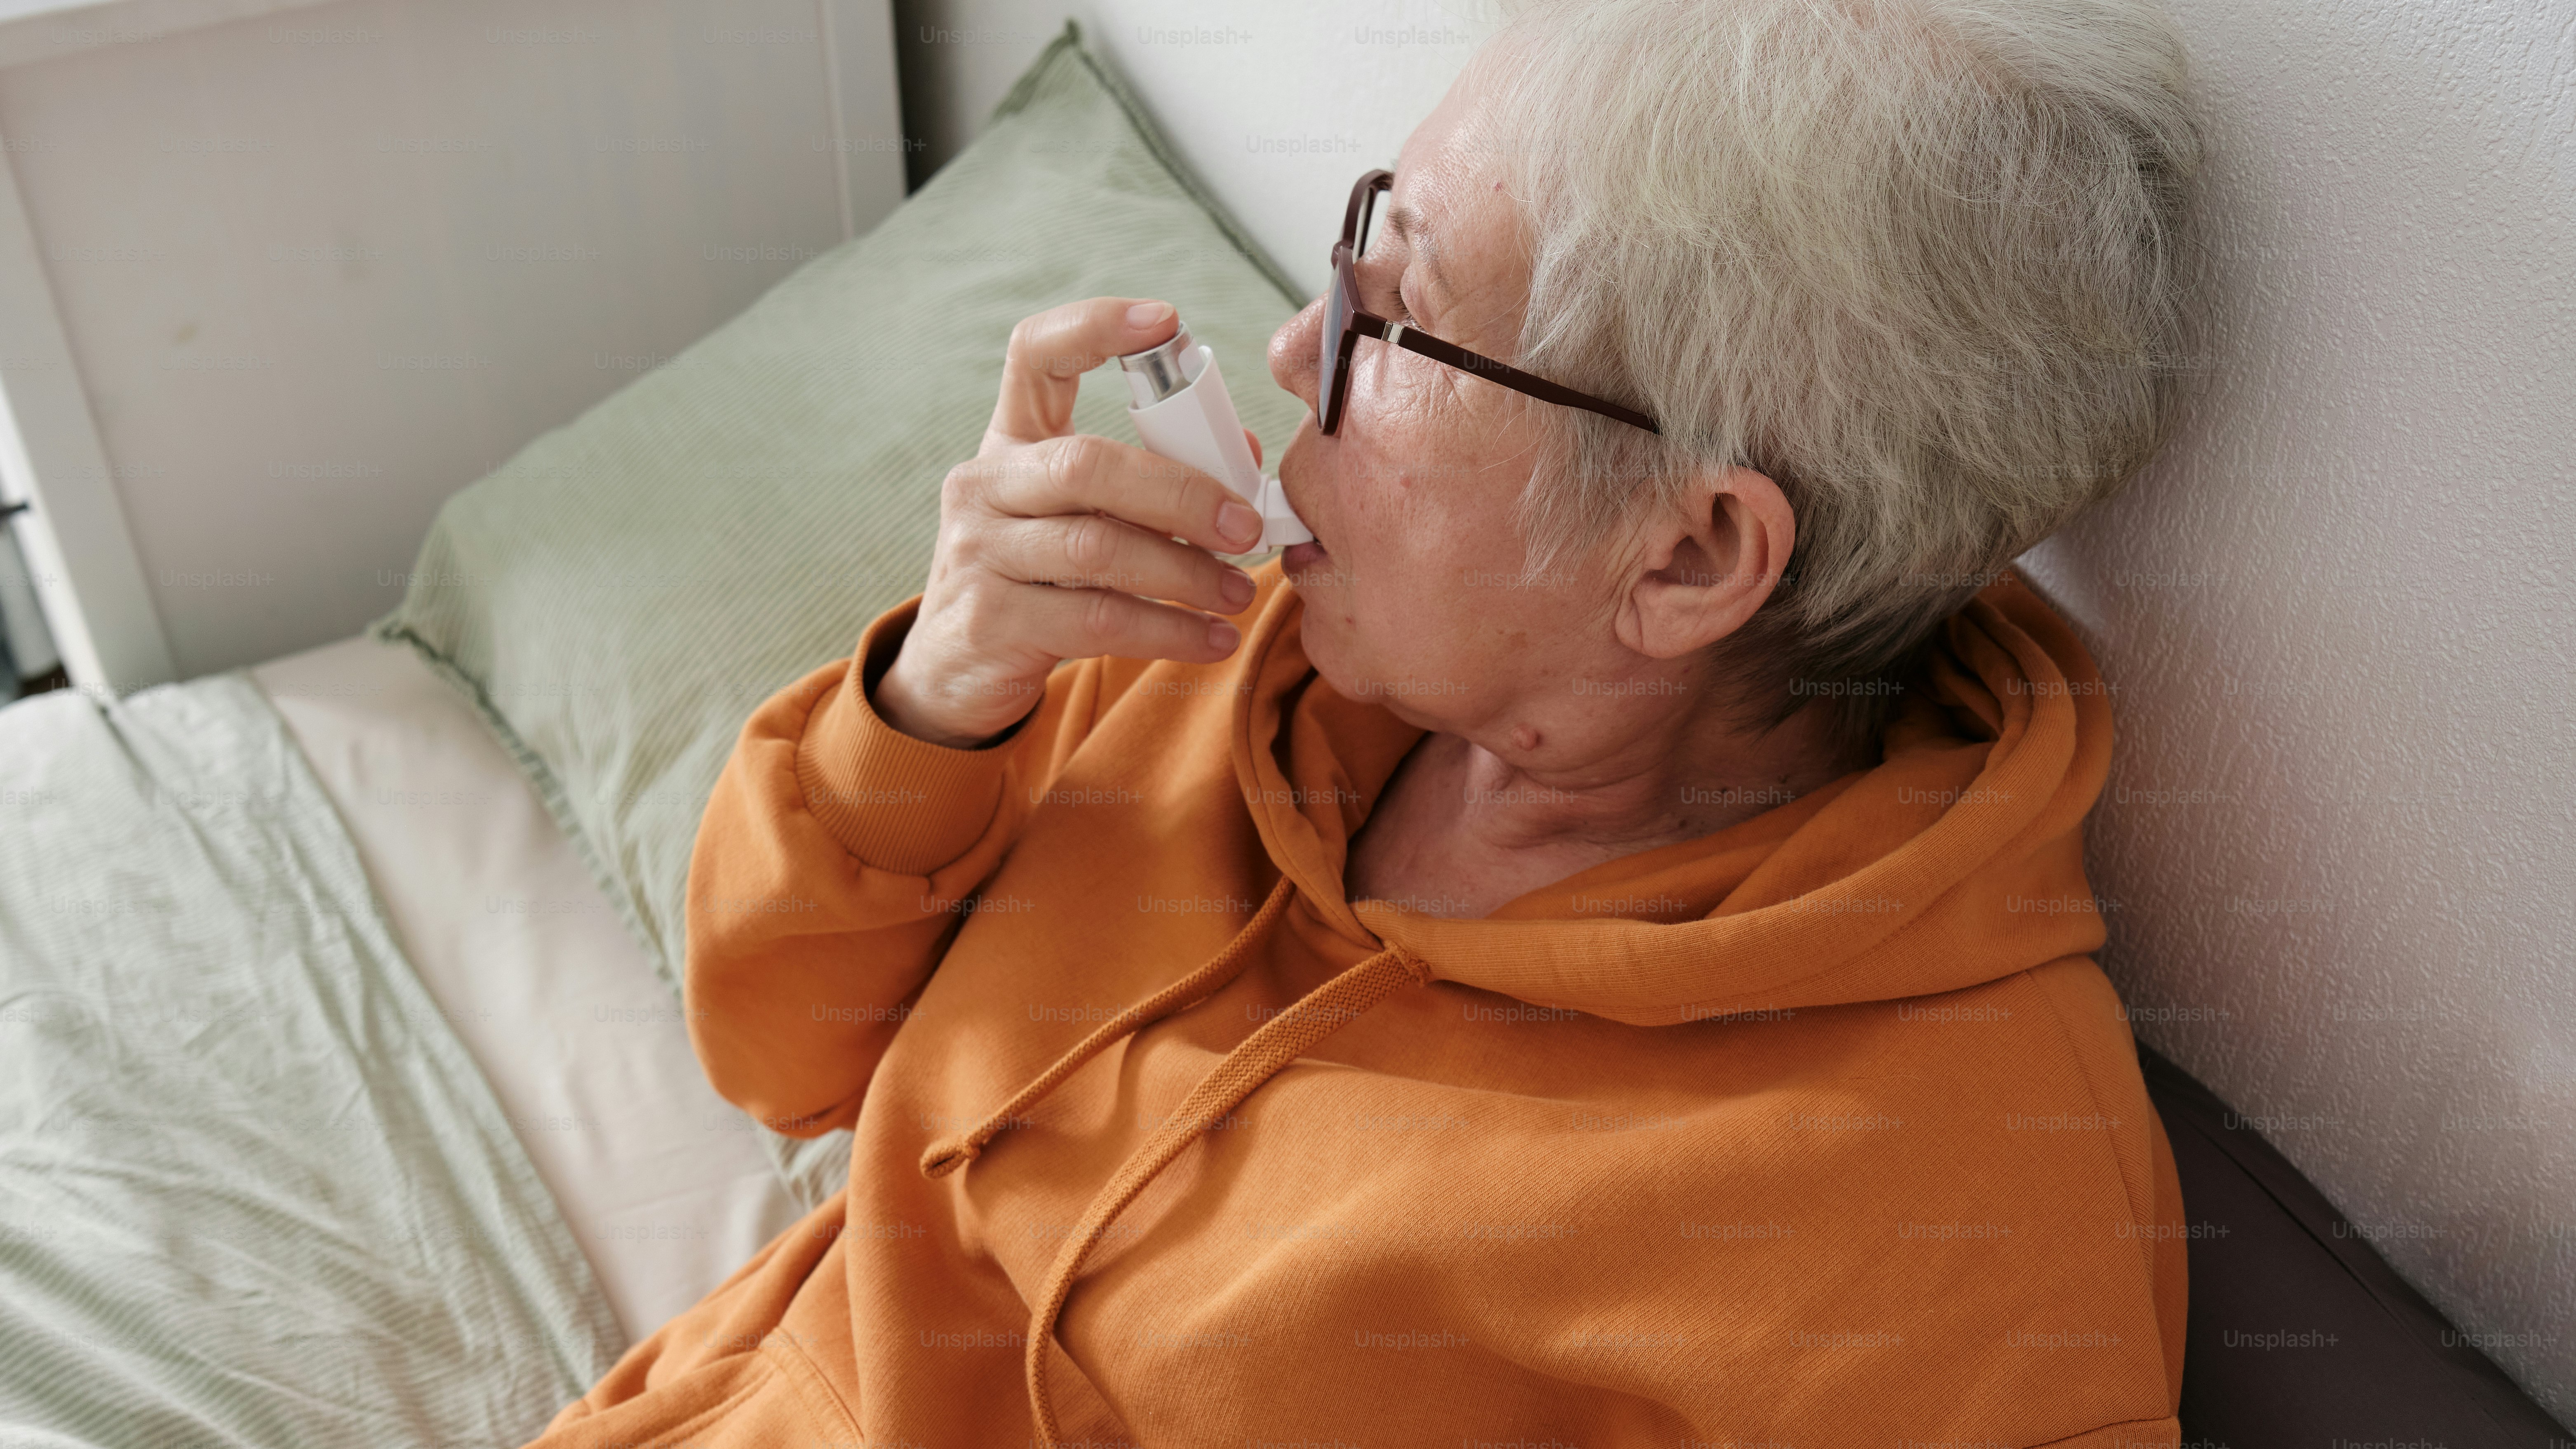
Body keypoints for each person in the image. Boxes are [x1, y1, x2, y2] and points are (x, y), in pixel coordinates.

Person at [526, 0, 2200, 1442]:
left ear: (1685, 557)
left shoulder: (1956, 1237)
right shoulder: (1234, 649)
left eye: (1400, 319)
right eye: (1360, 246)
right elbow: (778, 1052)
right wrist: (933, 703)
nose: (1287, 344)